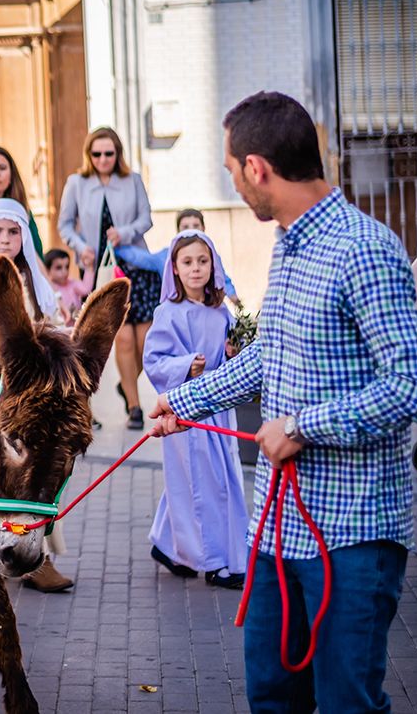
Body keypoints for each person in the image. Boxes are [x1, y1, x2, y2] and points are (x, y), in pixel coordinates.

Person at [150, 91, 417, 712]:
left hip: (353, 534)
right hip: (277, 531)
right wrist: (185, 403)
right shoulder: (287, 244)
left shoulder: (364, 248)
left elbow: (415, 385)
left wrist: (303, 427)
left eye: (232, 170)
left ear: (257, 169)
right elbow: (268, 356)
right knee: (273, 699)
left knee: (345, 704)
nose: (233, 183)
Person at [142, 231, 248, 590]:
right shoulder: (168, 313)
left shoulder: (221, 312)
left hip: (218, 410)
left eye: (203, 261)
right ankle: (215, 562)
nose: (196, 269)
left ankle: (168, 545)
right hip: (186, 413)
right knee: (204, 484)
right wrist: (186, 365)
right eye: (187, 262)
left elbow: (229, 358)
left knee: (213, 478)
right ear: (174, 268)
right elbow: (154, 361)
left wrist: (233, 353)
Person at [0, 198, 73, 593]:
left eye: (13, 232)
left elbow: (47, 327)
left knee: (38, 472)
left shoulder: (34, 280)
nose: (4, 239)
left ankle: (38, 554)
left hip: (25, 396)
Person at [57, 127, 155, 428]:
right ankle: (135, 407)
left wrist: (124, 232)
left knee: (145, 341)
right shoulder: (77, 183)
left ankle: (127, 384)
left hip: (135, 266)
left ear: (117, 154)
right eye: (96, 153)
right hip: (100, 271)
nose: (102, 159)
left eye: (108, 153)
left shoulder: (132, 180)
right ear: (89, 154)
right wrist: (80, 247)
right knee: (122, 338)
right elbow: (65, 225)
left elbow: (146, 219)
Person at [113, 209, 239, 300]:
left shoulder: (211, 255)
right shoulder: (166, 256)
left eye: (196, 226)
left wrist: (234, 299)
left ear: (203, 228)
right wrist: (116, 247)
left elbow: (222, 279)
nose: (191, 230)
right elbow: (141, 258)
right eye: (185, 227)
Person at [43, 249, 90, 324]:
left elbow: (86, 289)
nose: (64, 272)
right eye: (59, 268)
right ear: (47, 270)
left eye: (67, 267)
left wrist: (89, 267)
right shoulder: (47, 289)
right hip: (59, 328)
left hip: (76, 327)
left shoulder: (72, 284)